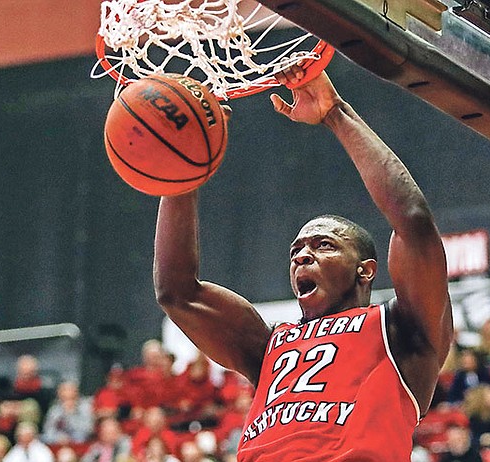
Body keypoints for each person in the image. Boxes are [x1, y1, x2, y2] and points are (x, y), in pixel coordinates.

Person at [152, 65, 453, 460]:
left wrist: (335, 113)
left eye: (323, 245)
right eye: (296, 251)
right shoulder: (269, 346)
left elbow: (412, 221)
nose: (302, 256)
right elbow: (177, 293)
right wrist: (183, 173)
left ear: (365, 269)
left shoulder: (402, 330)